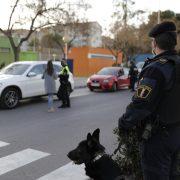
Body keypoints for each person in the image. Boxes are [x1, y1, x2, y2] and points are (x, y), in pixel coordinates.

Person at [118, 21, 180, 180]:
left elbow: (141, 104)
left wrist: (124, 122)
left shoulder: (156, 68)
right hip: (175, 132)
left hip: (158, 138)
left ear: (155, 43)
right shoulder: (176, 64)